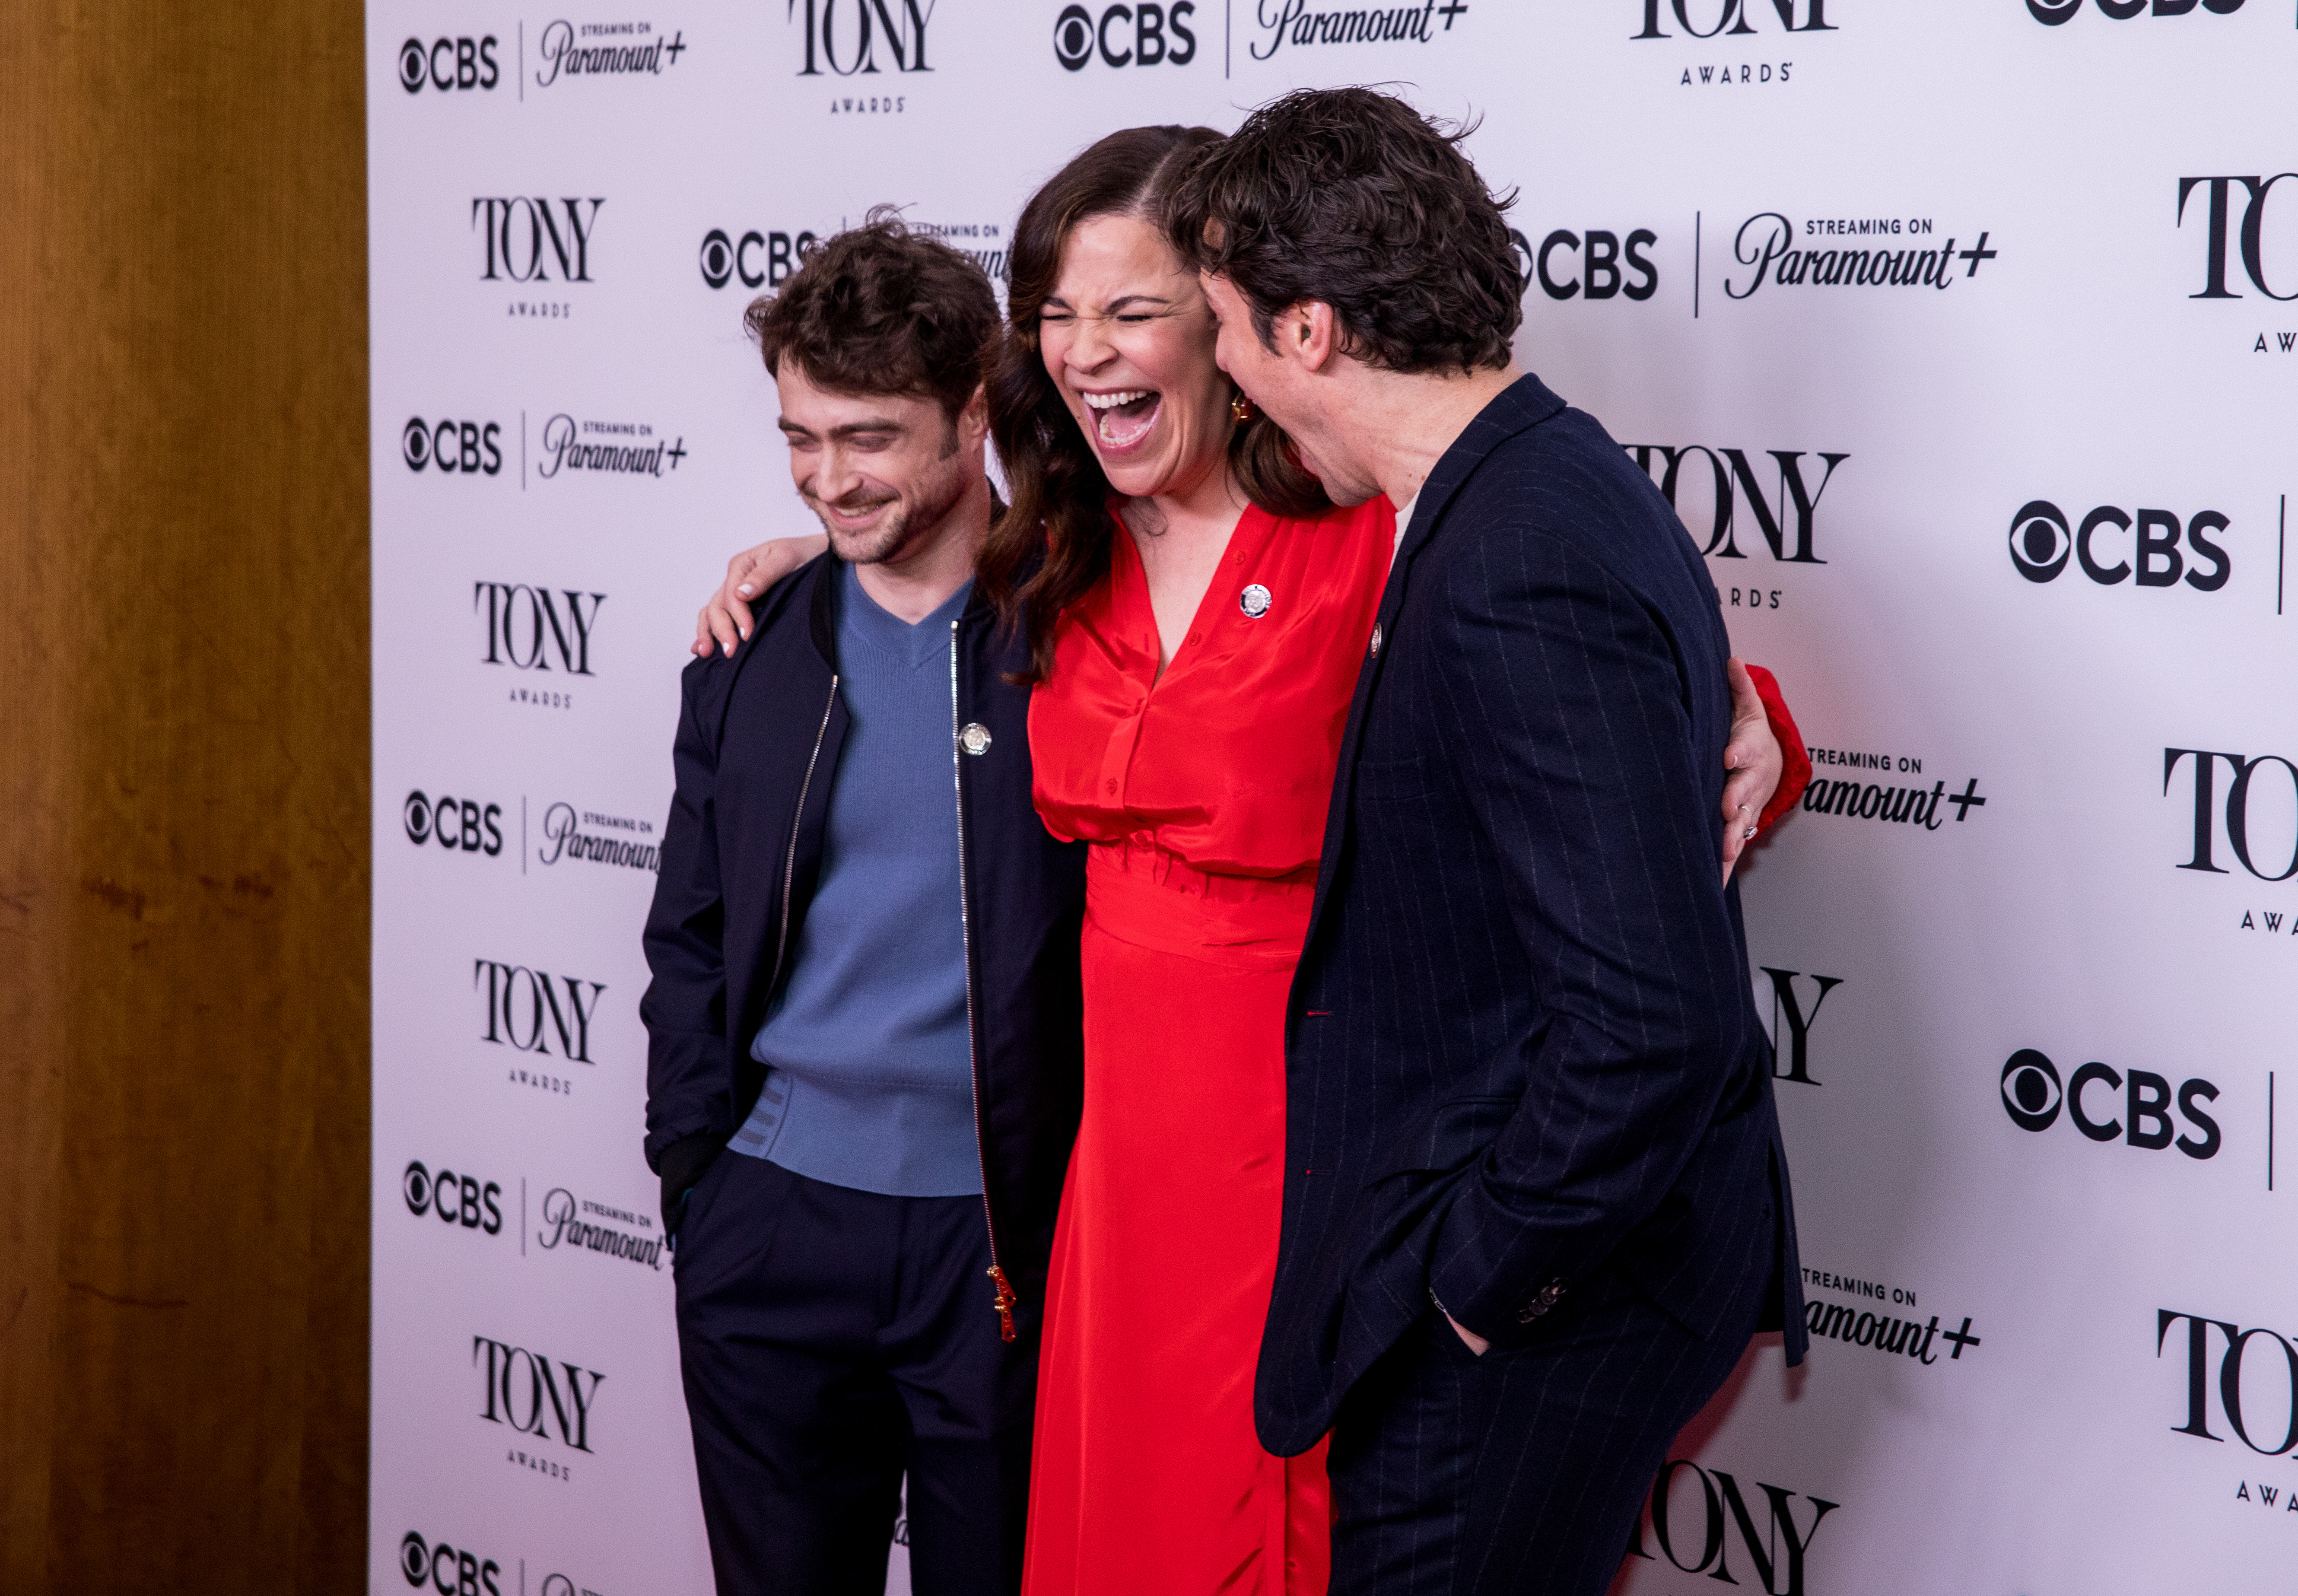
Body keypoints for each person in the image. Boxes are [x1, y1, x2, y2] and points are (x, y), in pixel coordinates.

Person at [693, 132, 1808, 1596]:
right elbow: (892, 565)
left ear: (1233, 325)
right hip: (1112, 1178)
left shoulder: (1373, 529)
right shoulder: (1047, 554)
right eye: (1059, 313)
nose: (1089, 352)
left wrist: (1755, 732)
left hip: (1324, 1145)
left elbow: (1583, 717)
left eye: (1135, 310)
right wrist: (793, 568)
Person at [1160, 88, 1809, 1596]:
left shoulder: (1516, 551)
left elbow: (1651, 1023)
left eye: (1231, 333)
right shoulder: (1524, 488)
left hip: (1535, 1326)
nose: (1234, 380)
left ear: (1308, 330)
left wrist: (1479, 1285)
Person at [638, 212, 1085, 1596]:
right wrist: (694, 1181)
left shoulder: (1092, 632)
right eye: (801, 439)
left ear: (971, 417)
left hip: (1002, 1240)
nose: (830, 481)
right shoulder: (751, 652)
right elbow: (691, 935)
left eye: (871, 438)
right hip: (770, 1223)